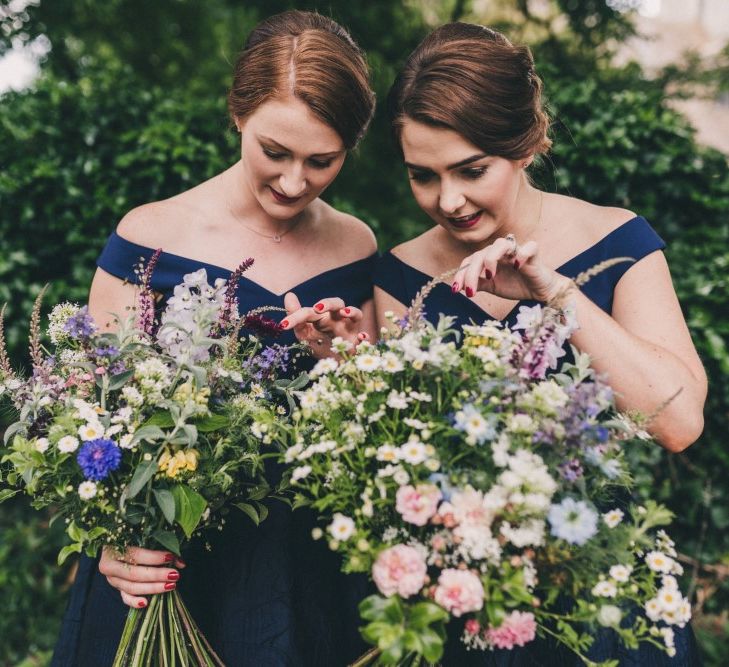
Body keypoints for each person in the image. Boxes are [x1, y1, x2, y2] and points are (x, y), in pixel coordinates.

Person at [374, 22, 706, 665]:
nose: (449, 200)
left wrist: (556, 293)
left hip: (601, 591)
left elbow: (678, 421)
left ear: (527, 145)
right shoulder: (400, 277)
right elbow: (399, 445)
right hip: (462, 600)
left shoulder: (621, 243)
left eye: (473, 170)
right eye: (423, 175)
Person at [52, 10, 376, 666]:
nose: (293, 182)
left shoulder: (356, 244)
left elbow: (369, 430)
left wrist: (347, 362)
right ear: (237, 115)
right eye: (274, 152)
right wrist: (109, 538)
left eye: (322, 160)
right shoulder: (148, 238)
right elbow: (83, 424)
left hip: (302, 568)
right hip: (170, 560)